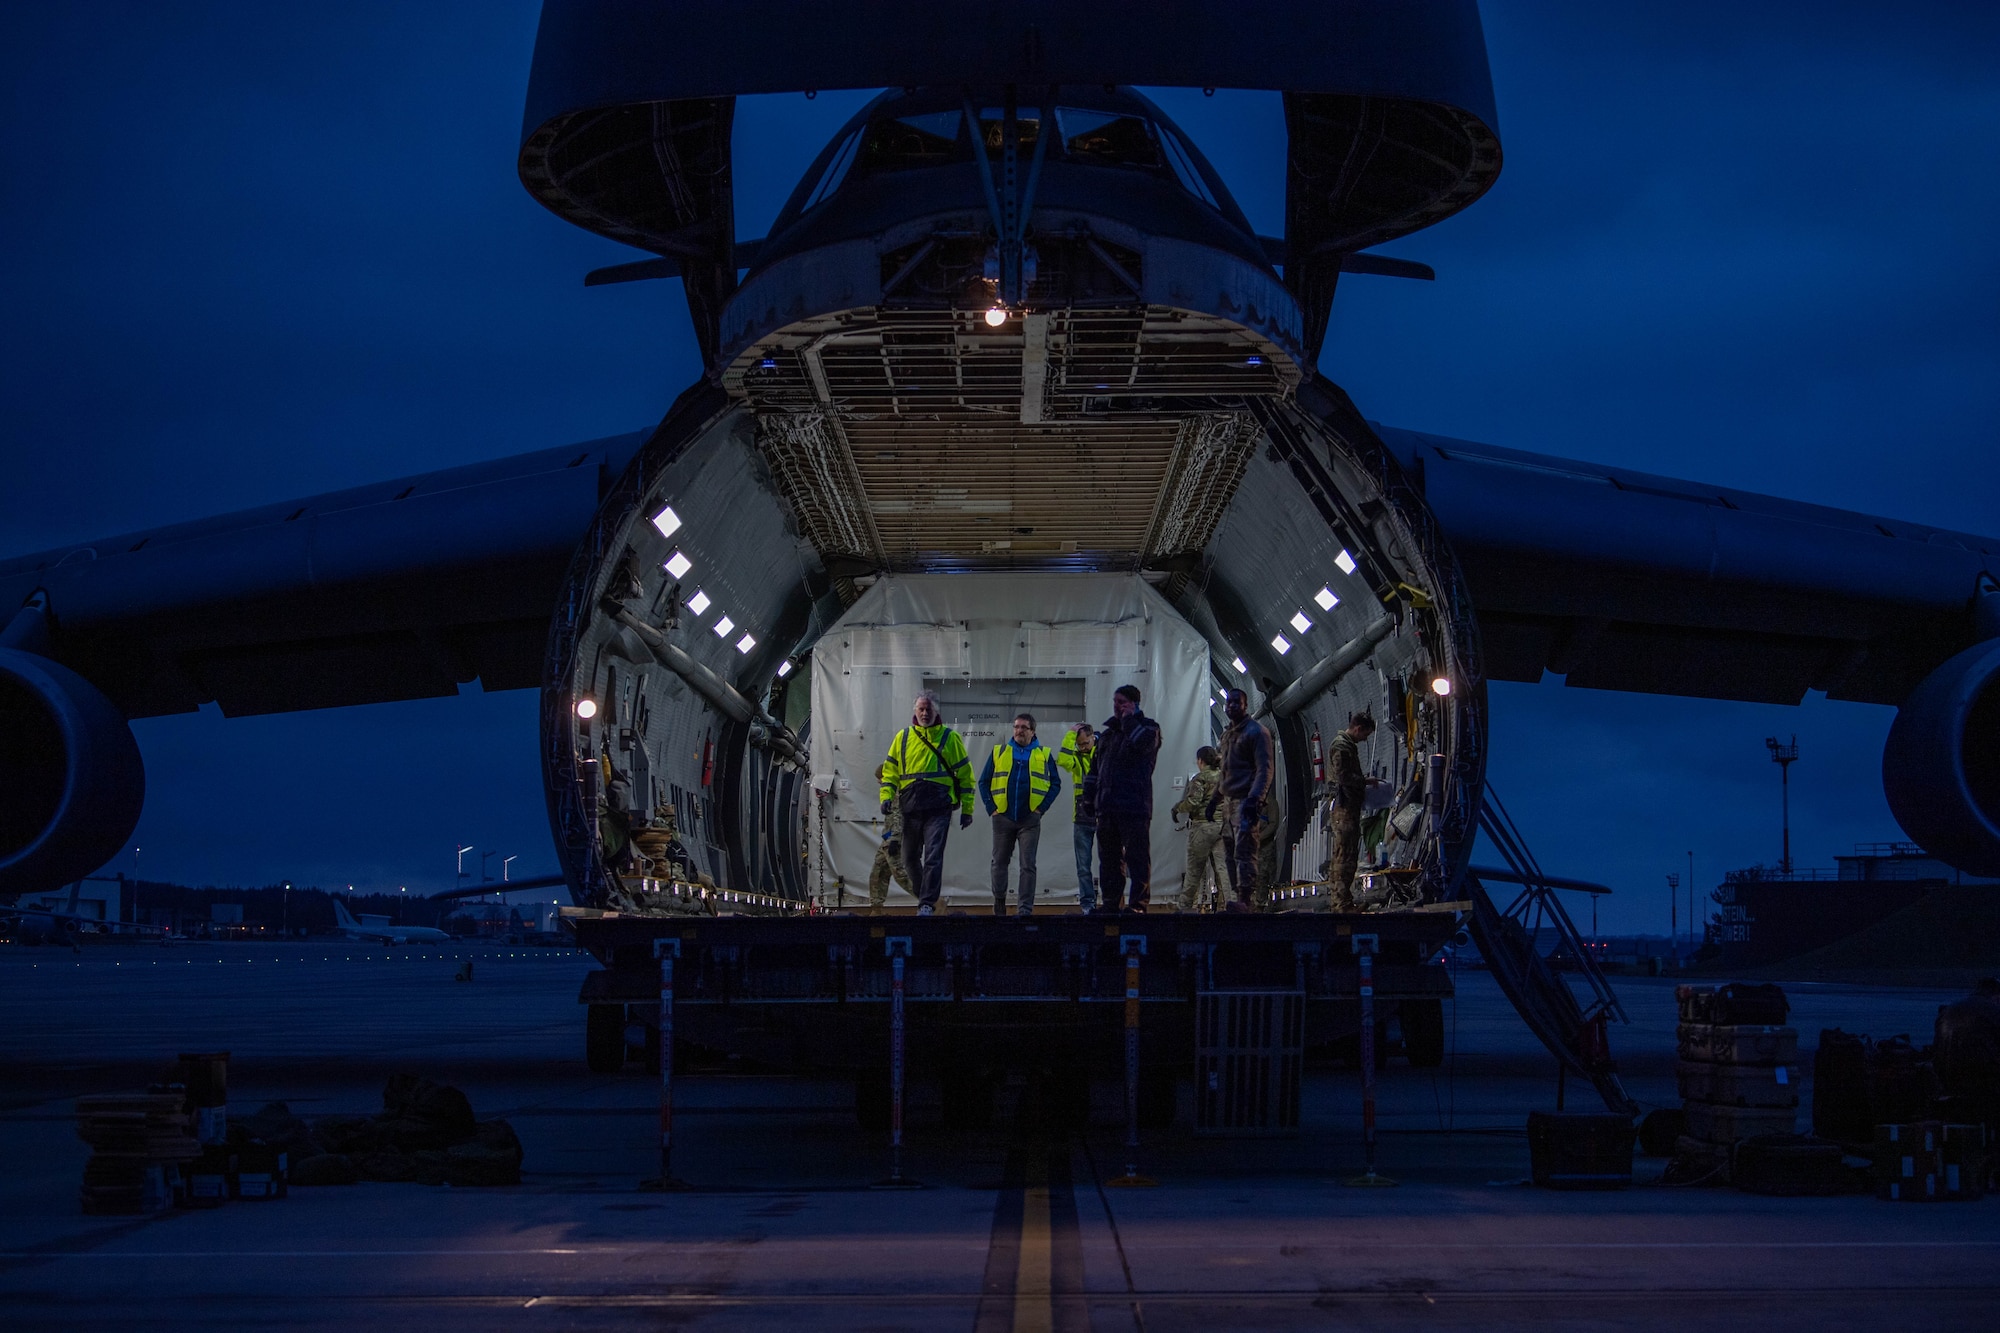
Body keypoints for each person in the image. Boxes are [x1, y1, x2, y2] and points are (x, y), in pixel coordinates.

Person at [879, 689, 974, 916]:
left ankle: (926, 904)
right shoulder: (902, 738)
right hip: (911, 808)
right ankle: (926, 897)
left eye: (928, 709)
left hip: (938, 809)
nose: (924, 713)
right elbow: (890, 771)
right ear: (915, 711)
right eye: (921, 709)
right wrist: (885, 797)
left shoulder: (950, 738)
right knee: (909, 858)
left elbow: (965, 775)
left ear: (936, 711)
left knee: (933, 855)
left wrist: (967, 809)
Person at [1082, 684, 1161, 913]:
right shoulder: (1107, 735)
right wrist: (1089, 798)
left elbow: (1144, 746)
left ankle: (1138, 904)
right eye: (1115, 702)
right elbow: (1094, 770)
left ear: (1134, 704)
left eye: (1122, 702)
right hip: (1107, 808)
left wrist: (1128, 721)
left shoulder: (1149, 729)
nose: (1117, 707)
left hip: (1134, 806)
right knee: (1109, 860)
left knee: (1137, 858)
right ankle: (1111, 903)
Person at [979, 713, 1061, 916]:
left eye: (1024, 727)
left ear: (1033, 731)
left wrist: (1041, 809)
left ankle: (1024, 909)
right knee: (999, 863)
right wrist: (992, 809)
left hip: (1029, 820)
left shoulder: (1043, 753)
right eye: (1016, 727)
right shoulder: (1000, 751)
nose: (1019, 731)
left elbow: (1056, 784)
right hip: (1002, 818)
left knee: (1028, 866)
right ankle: (999, 901)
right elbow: (983, 781)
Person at [1209, 688, 1272, 913]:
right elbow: (1226, 772)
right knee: (1229, 852)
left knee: (1244, 851)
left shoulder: (1256, 733)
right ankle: (1238, 896)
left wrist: (1255, 800)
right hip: (1228, 803)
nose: (1232, 706)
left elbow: (1264, 769)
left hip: (1245, 800)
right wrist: (1215, 798)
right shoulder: (1228, 735)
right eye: (1229, 703)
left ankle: (1246, 898)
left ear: (1245, 705)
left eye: (1237, 702)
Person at [1325, 713, 1377, 910]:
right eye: (1365, 734)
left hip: (1348, 807)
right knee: (1343, 856)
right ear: (1358, 728)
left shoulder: (1347, 746)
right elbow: (1343, 777)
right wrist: (1364, 781)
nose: (1365, 739)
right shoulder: (1342, 747)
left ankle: (1343, 901)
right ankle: (1340, 904)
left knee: (1347, 854)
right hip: (1344, 808)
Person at [1172, 746, 1227, 911]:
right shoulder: (1225, 777)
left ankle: (1185, 907)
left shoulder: (1200, 779)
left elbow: (1193, 802)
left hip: (1202, 828)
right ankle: (1229, 906)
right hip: (1222, 828)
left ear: (1200, 761)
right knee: (1223, 870)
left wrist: (1177, 808)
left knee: (1195, 871)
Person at [1057, 722, 1099, 910]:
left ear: (1092, 738)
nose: (1082, 748)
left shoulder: (1103, 754)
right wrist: (1069, 736)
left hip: (1104, 816)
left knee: (1110, 864)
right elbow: (1063, 760)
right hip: (1082, 818)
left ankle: (1111, 903)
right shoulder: (1076, 758)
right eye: (1079, 744)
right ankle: (1087, 906)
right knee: (1083, 867)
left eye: (1085, 743)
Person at [867, 764, 913, 913]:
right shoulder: (890, 792)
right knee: (878, 873)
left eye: (880, 778)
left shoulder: (895, 792)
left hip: (893, 839)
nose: (878, 782)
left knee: (901, 876)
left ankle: (931, 900)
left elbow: (898, 816)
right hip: (887, 839)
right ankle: (876, 909)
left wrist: (894, 839)